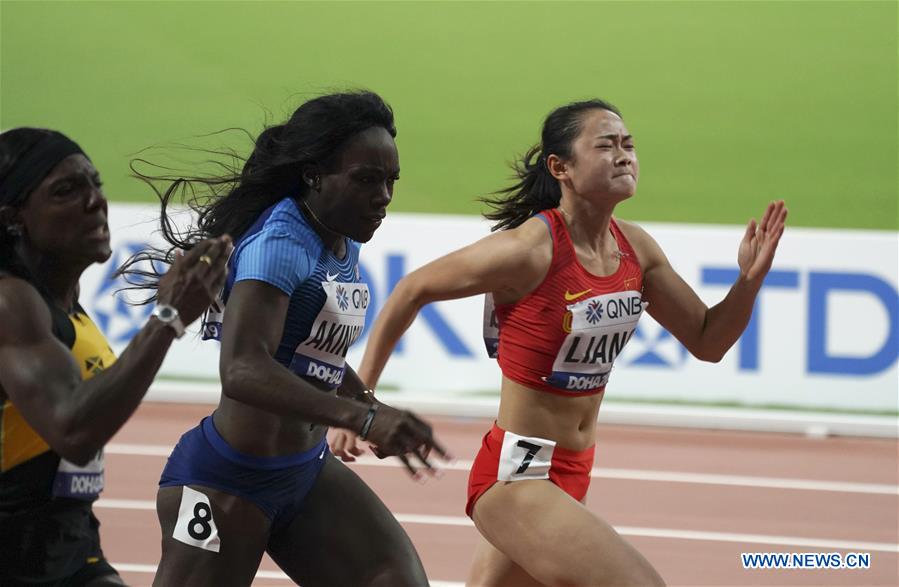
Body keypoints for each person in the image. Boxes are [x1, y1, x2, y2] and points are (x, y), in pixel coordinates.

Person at [356, 98, 788, 586]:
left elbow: (708, 341)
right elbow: (413, 289)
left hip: (574, 469)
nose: (624, 155)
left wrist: (748, 281)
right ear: (560, 167)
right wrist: (362, 401)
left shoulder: (636, 250)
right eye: (606, 145)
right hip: (517, 473)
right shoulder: (530, 250)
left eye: (629, 144)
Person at [130, 91, 448, 587]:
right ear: (313, 175)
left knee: (394, 579)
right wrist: (363, 418)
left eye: (391, 181)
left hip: (304, 471)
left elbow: (313, 354)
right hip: (227, 482)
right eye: (367, 179)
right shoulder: (280, 244)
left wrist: (370, 404)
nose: (383, 195)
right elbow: (242, 370)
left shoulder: (340, 233)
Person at [0, 127, 231, 586]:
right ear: (14, 218)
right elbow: (73, 430)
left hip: (68, 549)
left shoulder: (67, 308)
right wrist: (167, 319)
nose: (95, 202)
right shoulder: (11, 304)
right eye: (67, 191)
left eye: (96, 184)